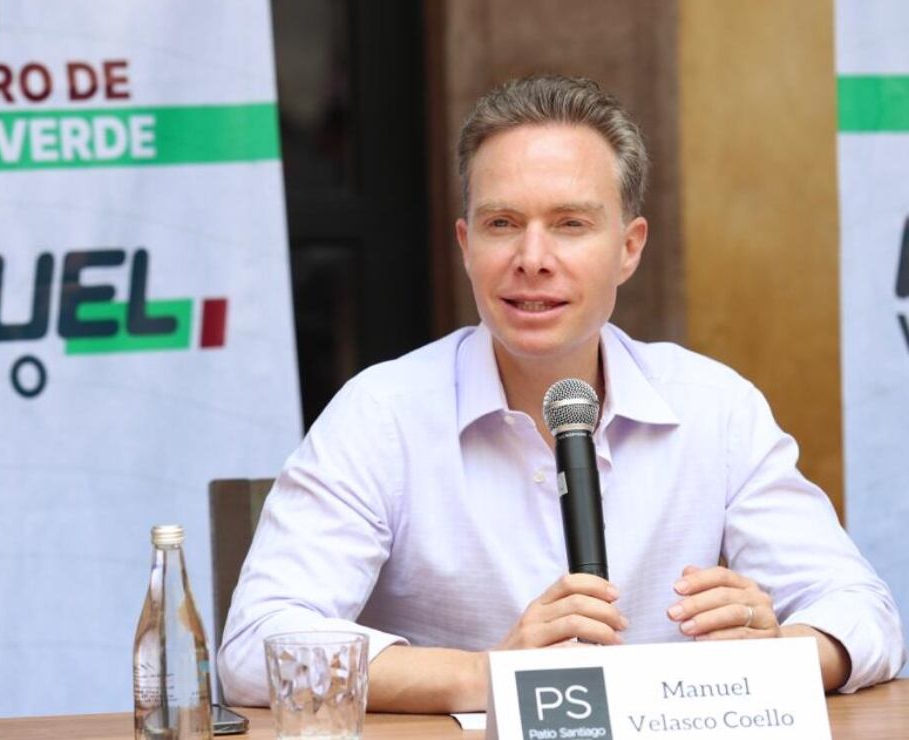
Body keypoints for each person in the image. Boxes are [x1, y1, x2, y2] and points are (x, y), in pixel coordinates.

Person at [217, 75, 906, 711]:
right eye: (501, 224)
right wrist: (493, 674)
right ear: (464, 245)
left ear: (629, 248)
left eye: (571, 224)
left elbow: (863, 614)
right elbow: (255, 649)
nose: (532, 258)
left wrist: (777, 655)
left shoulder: (712, 406)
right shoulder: (382, 414)